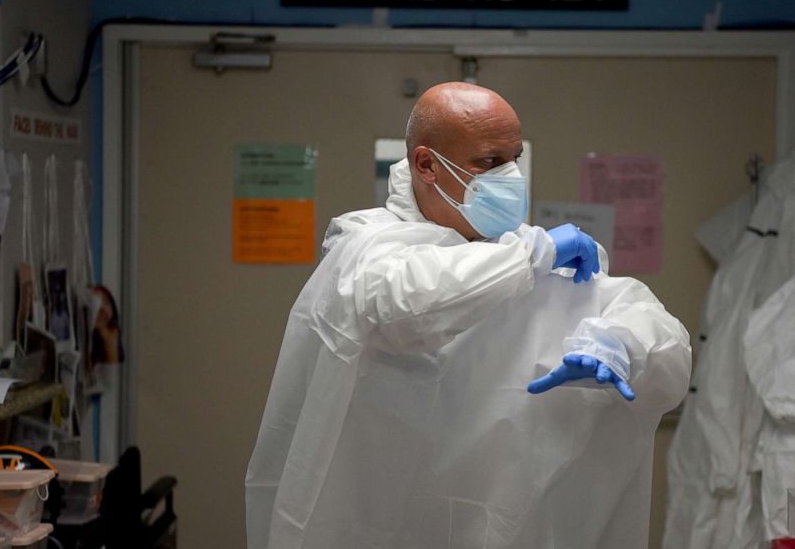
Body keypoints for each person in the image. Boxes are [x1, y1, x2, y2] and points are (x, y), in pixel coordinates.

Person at [245, 82, 691, 549]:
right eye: (490, 161)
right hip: (380, 523)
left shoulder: (535, 257)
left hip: (509, 523)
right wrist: (531, 254)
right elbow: (405, 303)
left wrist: (624, 344)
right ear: (426, 165)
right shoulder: (366, 248)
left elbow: (653, 327)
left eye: (515, 157)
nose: (512, 176)